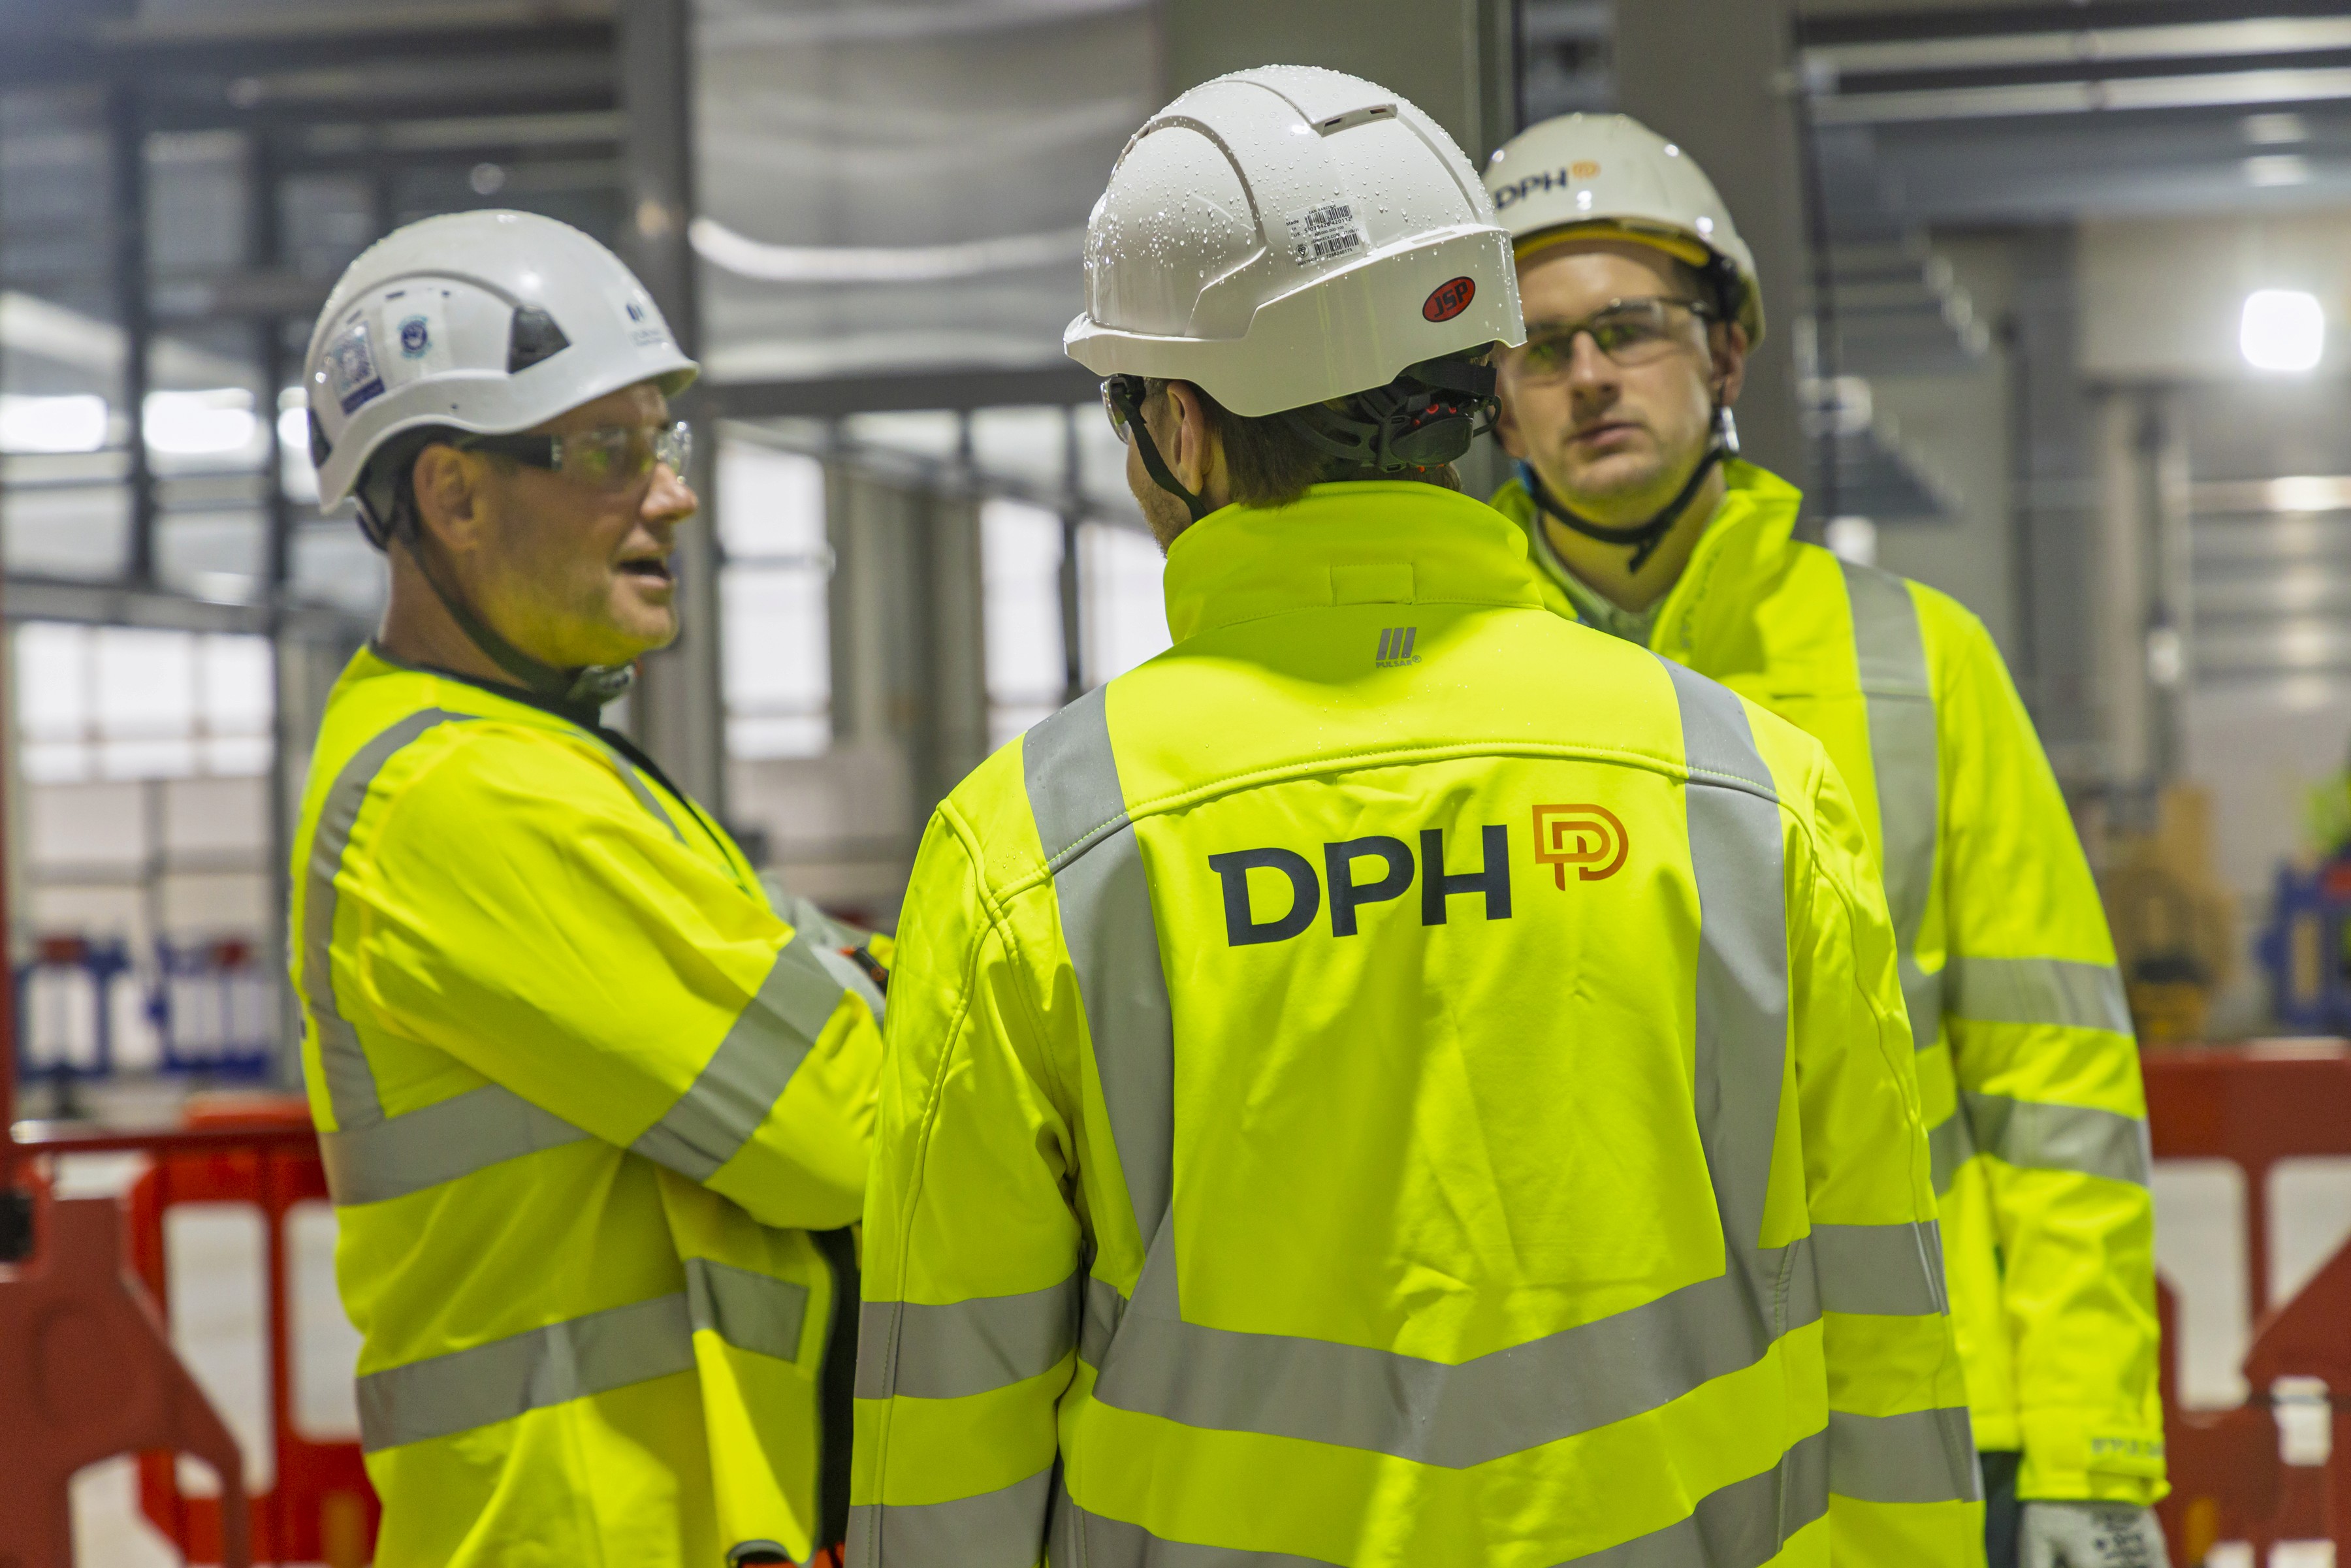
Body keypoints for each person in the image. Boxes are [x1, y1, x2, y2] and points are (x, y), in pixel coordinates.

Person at [850, 66, 1979, 1566]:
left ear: (1177, 426)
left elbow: (950, 1428)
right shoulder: (1747, 785)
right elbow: (1887, 1329)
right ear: (1473, 386)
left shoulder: (1034, 846)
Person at [1482, 113, 2167, 1568]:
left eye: (1630, 327)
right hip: (1576, 1452)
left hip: (1910, 1427)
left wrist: (2094, 1454)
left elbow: (2058, 1095)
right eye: (1538, 346)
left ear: (1726, 353)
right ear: (1495, 393)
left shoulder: (1921, 660)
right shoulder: (1446, 696)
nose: (1588, 375)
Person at [291, 210, 884, 1567]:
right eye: (609, 452)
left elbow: (840, 983)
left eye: (658, 445)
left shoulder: (541, 763)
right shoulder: (458, 801)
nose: (669, 494)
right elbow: (848, 1127)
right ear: (452, 496)